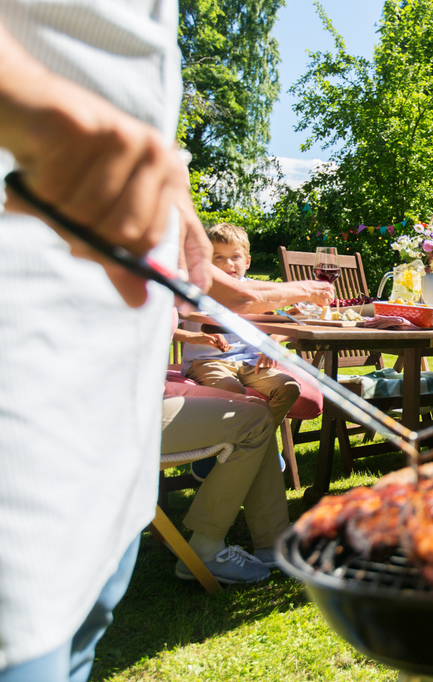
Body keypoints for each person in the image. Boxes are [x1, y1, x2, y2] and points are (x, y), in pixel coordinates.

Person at [0, 5, 211, 680]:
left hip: (121, 356)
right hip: (20, 288)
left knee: (88, 620)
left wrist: (173, 201)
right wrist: (32, 103)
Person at [161, 379, 289, 584]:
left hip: (153, 387)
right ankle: (206, 548)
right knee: (255, 422)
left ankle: (272, 543)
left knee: (259, 408)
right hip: (117, 404)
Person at [180, 223, 301, 430]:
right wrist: (193, 337)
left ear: (247, 262)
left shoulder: (256, 291)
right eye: (218, 257)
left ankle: (255, 440)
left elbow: (291, 322)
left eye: (235, 257)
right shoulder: (195, 291)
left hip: (250, 362)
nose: (228, 264)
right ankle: (252, 445)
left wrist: (274, 340)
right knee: (232, 390)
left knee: (289, 388)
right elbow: (167, 324)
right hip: (207, 362)